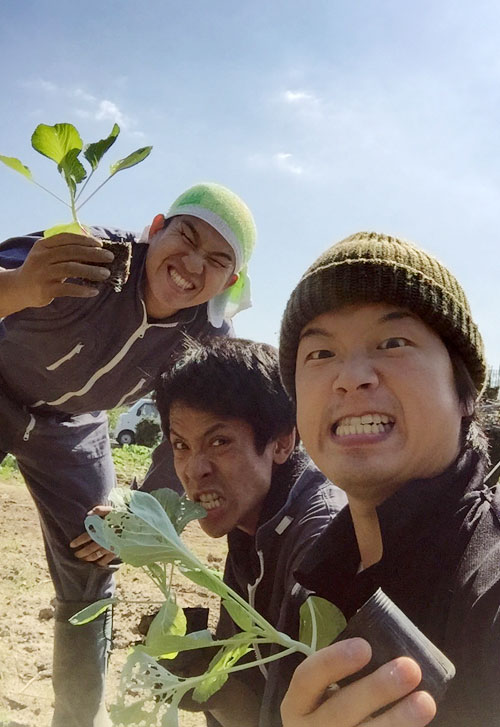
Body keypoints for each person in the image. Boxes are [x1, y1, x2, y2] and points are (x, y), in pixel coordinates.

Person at [0, 182, 256, 727]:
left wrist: (144, 513)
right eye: (185, 237)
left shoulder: (205, 339)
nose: (191, 264)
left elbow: (183, 433)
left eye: (215, 261)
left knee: (94, 560)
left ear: (228, 281)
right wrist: (19, 286)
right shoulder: (88, 255)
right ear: (157, 226)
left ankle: (75, 720)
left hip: (71, 430)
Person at [276, 230, 500, 726]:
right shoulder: (313, 583)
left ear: (464, 394)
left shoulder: (489, 581)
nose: (351, 376)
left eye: (393, 342)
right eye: (320, 354)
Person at [73, 337, 347, 726]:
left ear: (283, 443)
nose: (194, 469)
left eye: (219, 442)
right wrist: (201, 669)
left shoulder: (319, 539)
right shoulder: (249, 522)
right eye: (181, 445)